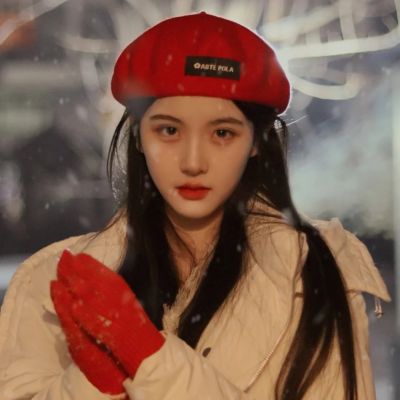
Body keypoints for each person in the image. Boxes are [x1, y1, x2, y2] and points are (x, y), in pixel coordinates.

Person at [0, 11, 391, 400]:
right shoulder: (52, 281)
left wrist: (147, 359)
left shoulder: (312, 271)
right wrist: (90, 384)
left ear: (256, 142)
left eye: (222, 133)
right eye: (169, 130)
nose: (192, 161)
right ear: (138, 137)